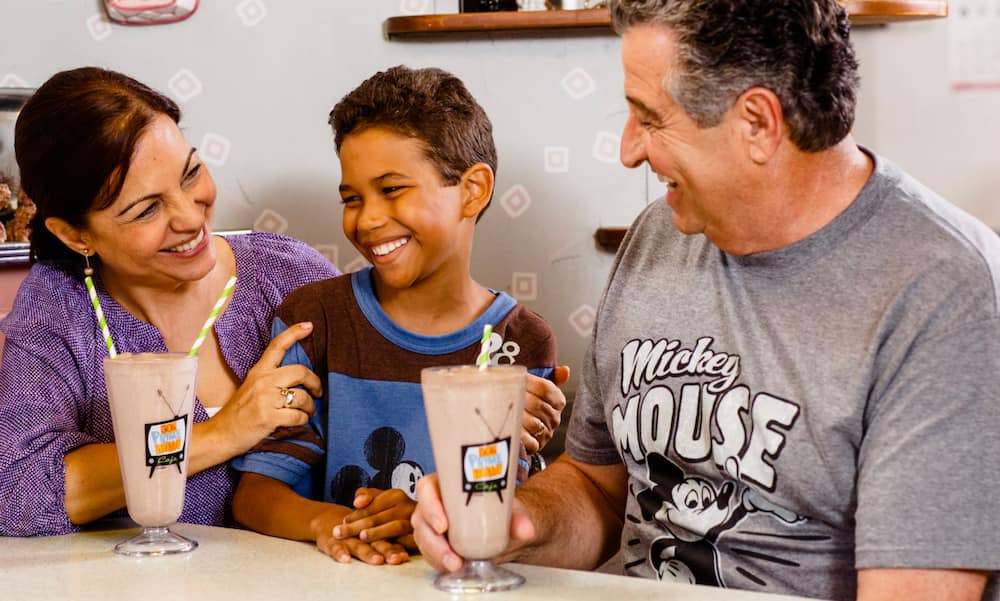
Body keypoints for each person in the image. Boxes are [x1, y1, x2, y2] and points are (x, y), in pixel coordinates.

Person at [413, 1, 1000, 600]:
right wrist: (522, 522)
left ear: (756, 123)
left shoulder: (944, 290)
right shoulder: (657, 236)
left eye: (649, 118)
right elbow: (597, 488)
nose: (628, 150)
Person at [231, 65, 569, 566]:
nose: (366, 219)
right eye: (351, 198)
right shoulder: (313, 319)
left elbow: (498, 515)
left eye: (392, 190)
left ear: (472, 190)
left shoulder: (520, 342)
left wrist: (420, 517)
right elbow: (255, 495)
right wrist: (335, 524)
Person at [0, 67, 340, 536]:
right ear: (75, 234)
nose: (188, 217)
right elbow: (15, 491)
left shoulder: (289, 274)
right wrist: (221, 434)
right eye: (146, 209)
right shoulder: (59, 307)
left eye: (191, 173)